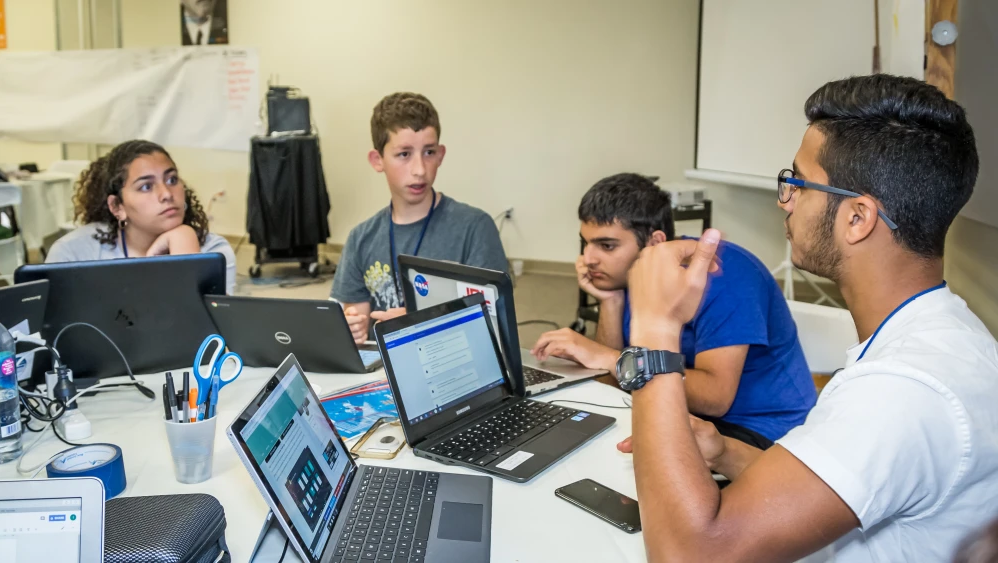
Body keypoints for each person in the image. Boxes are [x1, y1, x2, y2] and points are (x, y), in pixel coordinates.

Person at [617, 74, 998, 562]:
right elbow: (846, 483)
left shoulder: (903, 389)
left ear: (857, 218)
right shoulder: (945, 335)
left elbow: (692, 555)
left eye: (796, 182)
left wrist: (653, 327)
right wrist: (725, 451)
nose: (786, 199)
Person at [531, 173, 814, 443]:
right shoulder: (635, 273)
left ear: (654, 242)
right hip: (682, 410)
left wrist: (608, 358)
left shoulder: (726, 277)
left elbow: (715, 398)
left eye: (606, 246)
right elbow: (614, 383)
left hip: (760, 430)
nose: (588, 258)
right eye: (586, 243)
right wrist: (611, 300)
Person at [331, 92, 507, 345]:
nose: (420, 170)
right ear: (377, 160)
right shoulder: (361, 238)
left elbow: (493, 324)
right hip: (382, 371)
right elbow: (355, 316)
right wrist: (354, 328)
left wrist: (418, 320)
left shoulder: (475, 228)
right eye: (404, 154)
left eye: (429, 152)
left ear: (441, 154)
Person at [46, 140, 237, 294]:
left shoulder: (214, 251)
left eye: (172, 180)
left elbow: (204, 332)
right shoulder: (73, 254)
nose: (166, 194)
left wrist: (184, 243)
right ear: (117, 206)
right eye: (146, 186)